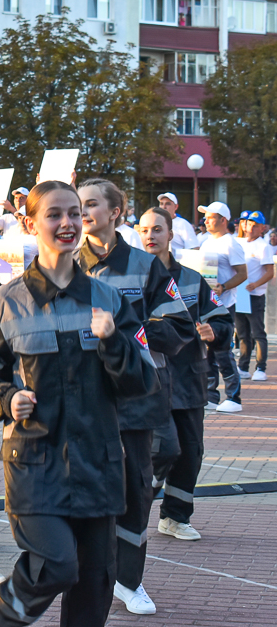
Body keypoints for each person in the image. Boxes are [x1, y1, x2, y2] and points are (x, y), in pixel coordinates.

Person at [0, 180, 158, 627]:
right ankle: (3, 609)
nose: (68, 222)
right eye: (54, 214)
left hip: (99, 461)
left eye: (74, 213)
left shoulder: (110, 301)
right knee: (57, 565)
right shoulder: (7, 301)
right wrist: (7, 397)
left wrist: (113, 341)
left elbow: (143, 381)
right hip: (35, 461)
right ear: (30, 223)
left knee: (95, 584)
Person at [76, 178, 195, 616]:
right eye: (77, 205)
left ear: (115, 212)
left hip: (136, 398)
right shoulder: (62, 264)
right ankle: (91, 574)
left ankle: (129, 581)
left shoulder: (146, 267)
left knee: (135, 491)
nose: (82, 212)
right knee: (87, 489)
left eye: (91, 204)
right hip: (82, 400)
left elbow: (180, 328)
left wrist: (127, 329)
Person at [139, 207, 233, 542]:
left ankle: (175, 516)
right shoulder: (130, 278)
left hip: (189, 377)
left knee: (190, 450)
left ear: (170, 234)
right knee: (157, 450)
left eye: (158, 229)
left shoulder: (192, 279)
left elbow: (222, 319)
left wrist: (214, 331)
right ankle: (131, 514)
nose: (151, 235)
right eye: (145, 229)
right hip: (147, 380)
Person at [198, 201, 246, 413]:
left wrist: (224, 287)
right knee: (207, 351)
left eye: (210, 216)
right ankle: (211, 396)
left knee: (223, 352)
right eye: (205, 217)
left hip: (225, 306)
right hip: (207, 305)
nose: (206, 220)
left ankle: (234, 397)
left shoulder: (231, 243)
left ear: (223, 220)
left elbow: (243, 274)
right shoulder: (206, 242)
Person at [234, 211, 274, 381]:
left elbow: (270, 272)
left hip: (255, 294)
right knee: (242, 332)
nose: (250, 227)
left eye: (255, 225)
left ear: (262, 228)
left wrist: (256, 284)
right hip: (240, 293)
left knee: (257, 332)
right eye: (248, 223)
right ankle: (243, 366)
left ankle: (260, 367)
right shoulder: (238, 243)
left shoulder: (263, 246)